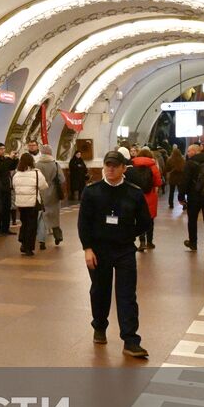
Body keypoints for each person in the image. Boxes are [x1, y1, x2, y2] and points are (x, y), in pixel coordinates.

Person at [78, 150, 152, 357]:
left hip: (124, 250)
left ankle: (130, 340)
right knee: (100, 292)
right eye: (107, 165)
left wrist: (128, 233)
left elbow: (145, 221)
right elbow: (83, 223)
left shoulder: (134, 192)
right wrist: (87, 248)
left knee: (127, 294)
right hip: (99, 251)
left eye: (114, 165)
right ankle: (99, 327)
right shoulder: (92, 192)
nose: (110, 168)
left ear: (123, 168)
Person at [181, 142, 204, 255]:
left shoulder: (190, 163)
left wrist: (181, 196)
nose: (187, 153)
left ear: (194, 151)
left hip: (194, 196)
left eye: (189, 151)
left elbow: (185, 180)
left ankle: (193, 243)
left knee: (192, 220)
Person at [128, 147, 163, 251]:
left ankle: (142, 241)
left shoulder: (133, 165)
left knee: (139, 218)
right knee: (150, 219)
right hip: (150, 195)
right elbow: (158, 182)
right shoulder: (153, 166)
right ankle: (150, 242)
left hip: (136, 195)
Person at [12, 153, 46, 256]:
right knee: (32, 225)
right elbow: (43, 186)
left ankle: (22, 242)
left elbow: (14, 186)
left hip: (21, 203)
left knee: (24, 222)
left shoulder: (16, 174)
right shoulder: (36, 173)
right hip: (32, 203)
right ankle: (28, 248)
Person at [34, 144, 63, 249]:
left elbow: (35, 178)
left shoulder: (37, 164)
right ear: (50, 152)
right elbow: (62, 178)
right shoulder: (55, 164)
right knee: (55, 216)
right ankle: (58, 236)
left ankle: (42, 240)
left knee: (42, 217)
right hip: (54, 193)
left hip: (41, 193)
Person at [0, 143, 15, 234]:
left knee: (7, 208)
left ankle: (6, 228)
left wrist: (15, 159)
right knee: (0, 209)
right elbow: (1, 168)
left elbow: (11, 167)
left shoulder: (4, 159)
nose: (3, 150)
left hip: (6, 187)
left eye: (4, 149)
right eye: (1, 149)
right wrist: (9, 158)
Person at [165, 145, 185, 210]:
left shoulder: (169, 159)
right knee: (181, 192)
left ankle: (171, 204)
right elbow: (184, 169)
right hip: (180, 178)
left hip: (172, 178)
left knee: (171, 192)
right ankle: (184, 204)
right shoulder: (182, 159)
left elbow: (167, 169)